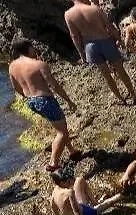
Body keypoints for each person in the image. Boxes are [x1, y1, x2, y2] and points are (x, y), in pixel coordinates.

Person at [7, 38, 81, 171]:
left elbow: (17, 88)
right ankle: (53, 163)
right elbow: (54, 85)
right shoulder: (39, 64)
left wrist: (29, 97)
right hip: (45, 100)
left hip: (31, 102)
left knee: (59, 126)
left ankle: (72, 151)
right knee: (62, 132)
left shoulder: (12, 66)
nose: (34, 49)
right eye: (32, 47)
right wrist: (68, 101)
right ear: (28, 48)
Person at [64, 0, 136, 105]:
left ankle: (121, 99)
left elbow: (75, 36)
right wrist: (121, 41)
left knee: (106, 75)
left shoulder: (68, 15)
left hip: (90, 46)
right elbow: (110, 27)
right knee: (120, 70)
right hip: (106, 41)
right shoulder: (94, 9)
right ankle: (133, 95)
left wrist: (81, 53)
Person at [50, 166, 123, 215]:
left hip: (81, 206)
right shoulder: (69, 193)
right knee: (111, 201)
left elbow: (52, 204)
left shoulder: (55, 189)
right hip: (88, 214)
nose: (73, 181)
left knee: (80, 180)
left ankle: (95, 203)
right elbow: (76, 210)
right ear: (63, 182)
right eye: (69, 181)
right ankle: (122, 195)